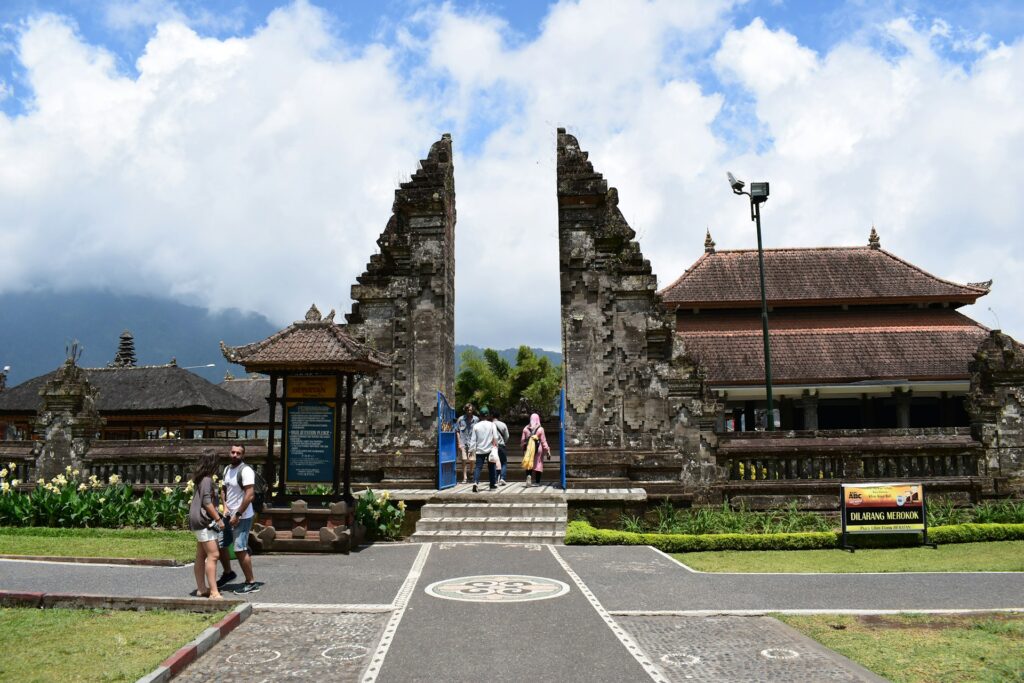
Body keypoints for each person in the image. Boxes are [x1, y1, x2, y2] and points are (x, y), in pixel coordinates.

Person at [216, 443, 262, 594]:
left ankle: (251, 582)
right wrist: (225, 506)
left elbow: (250, 495)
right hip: (228, 515)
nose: (235, 455)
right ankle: (228, 573)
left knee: (239, 549)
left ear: (243, 455)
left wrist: (238, 514)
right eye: (233, 452)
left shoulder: (246, 471)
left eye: (238, 453)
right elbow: (224, 489)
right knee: (221, 545)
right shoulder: (227, 469)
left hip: (242, 516)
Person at [188, 450, 225, 599]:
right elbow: (207, 502)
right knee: (214, 555)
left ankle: (201, 588)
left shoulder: (201, 479)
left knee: (201, 555)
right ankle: (214, 592)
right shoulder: (207, 480)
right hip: (204, 521)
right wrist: (218, 519)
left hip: (196, 519)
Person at [467, 406, 498, 493]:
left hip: (479, 450)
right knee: (492, 467)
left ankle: (476, 483)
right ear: (488, 416)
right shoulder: (492, 425)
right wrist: (496, 446)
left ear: (480, 416)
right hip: (490, 450)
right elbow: (495, 437)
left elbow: (473, 440)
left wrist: (470, 450)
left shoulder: (476, 426)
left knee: (478, 467)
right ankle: (492, 485)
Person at [521, 413, 550, 487]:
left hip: (529, 449)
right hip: (538, 449)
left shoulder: (525, 429)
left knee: (529, 462)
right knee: (538, 464)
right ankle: (537, 482)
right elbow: (543, 441)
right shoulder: (540, 429)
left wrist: (523, 448)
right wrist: (547, 450)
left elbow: (523, 441)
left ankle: (529, 476)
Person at [455, 403, 478, 485]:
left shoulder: (476, 419)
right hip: (463, 442)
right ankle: (465, 477)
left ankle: (471, 473)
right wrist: (459, 443)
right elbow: (457, 431)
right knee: (464, 460)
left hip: (472, 442)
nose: (469, 411)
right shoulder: (460, 419)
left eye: (471, 410)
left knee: (472, 460)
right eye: (468, 410)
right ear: (465, 410)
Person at [492, 409, 510, 486]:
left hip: (492, 446)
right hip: (501, 446)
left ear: (492, 416)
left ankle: (495, 479)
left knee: (493, 462)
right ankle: (502, 478)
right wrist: (503, 442)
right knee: (503, 462)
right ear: (499, 416)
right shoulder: (503, 424)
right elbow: (507, 436)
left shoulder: (490, 424)